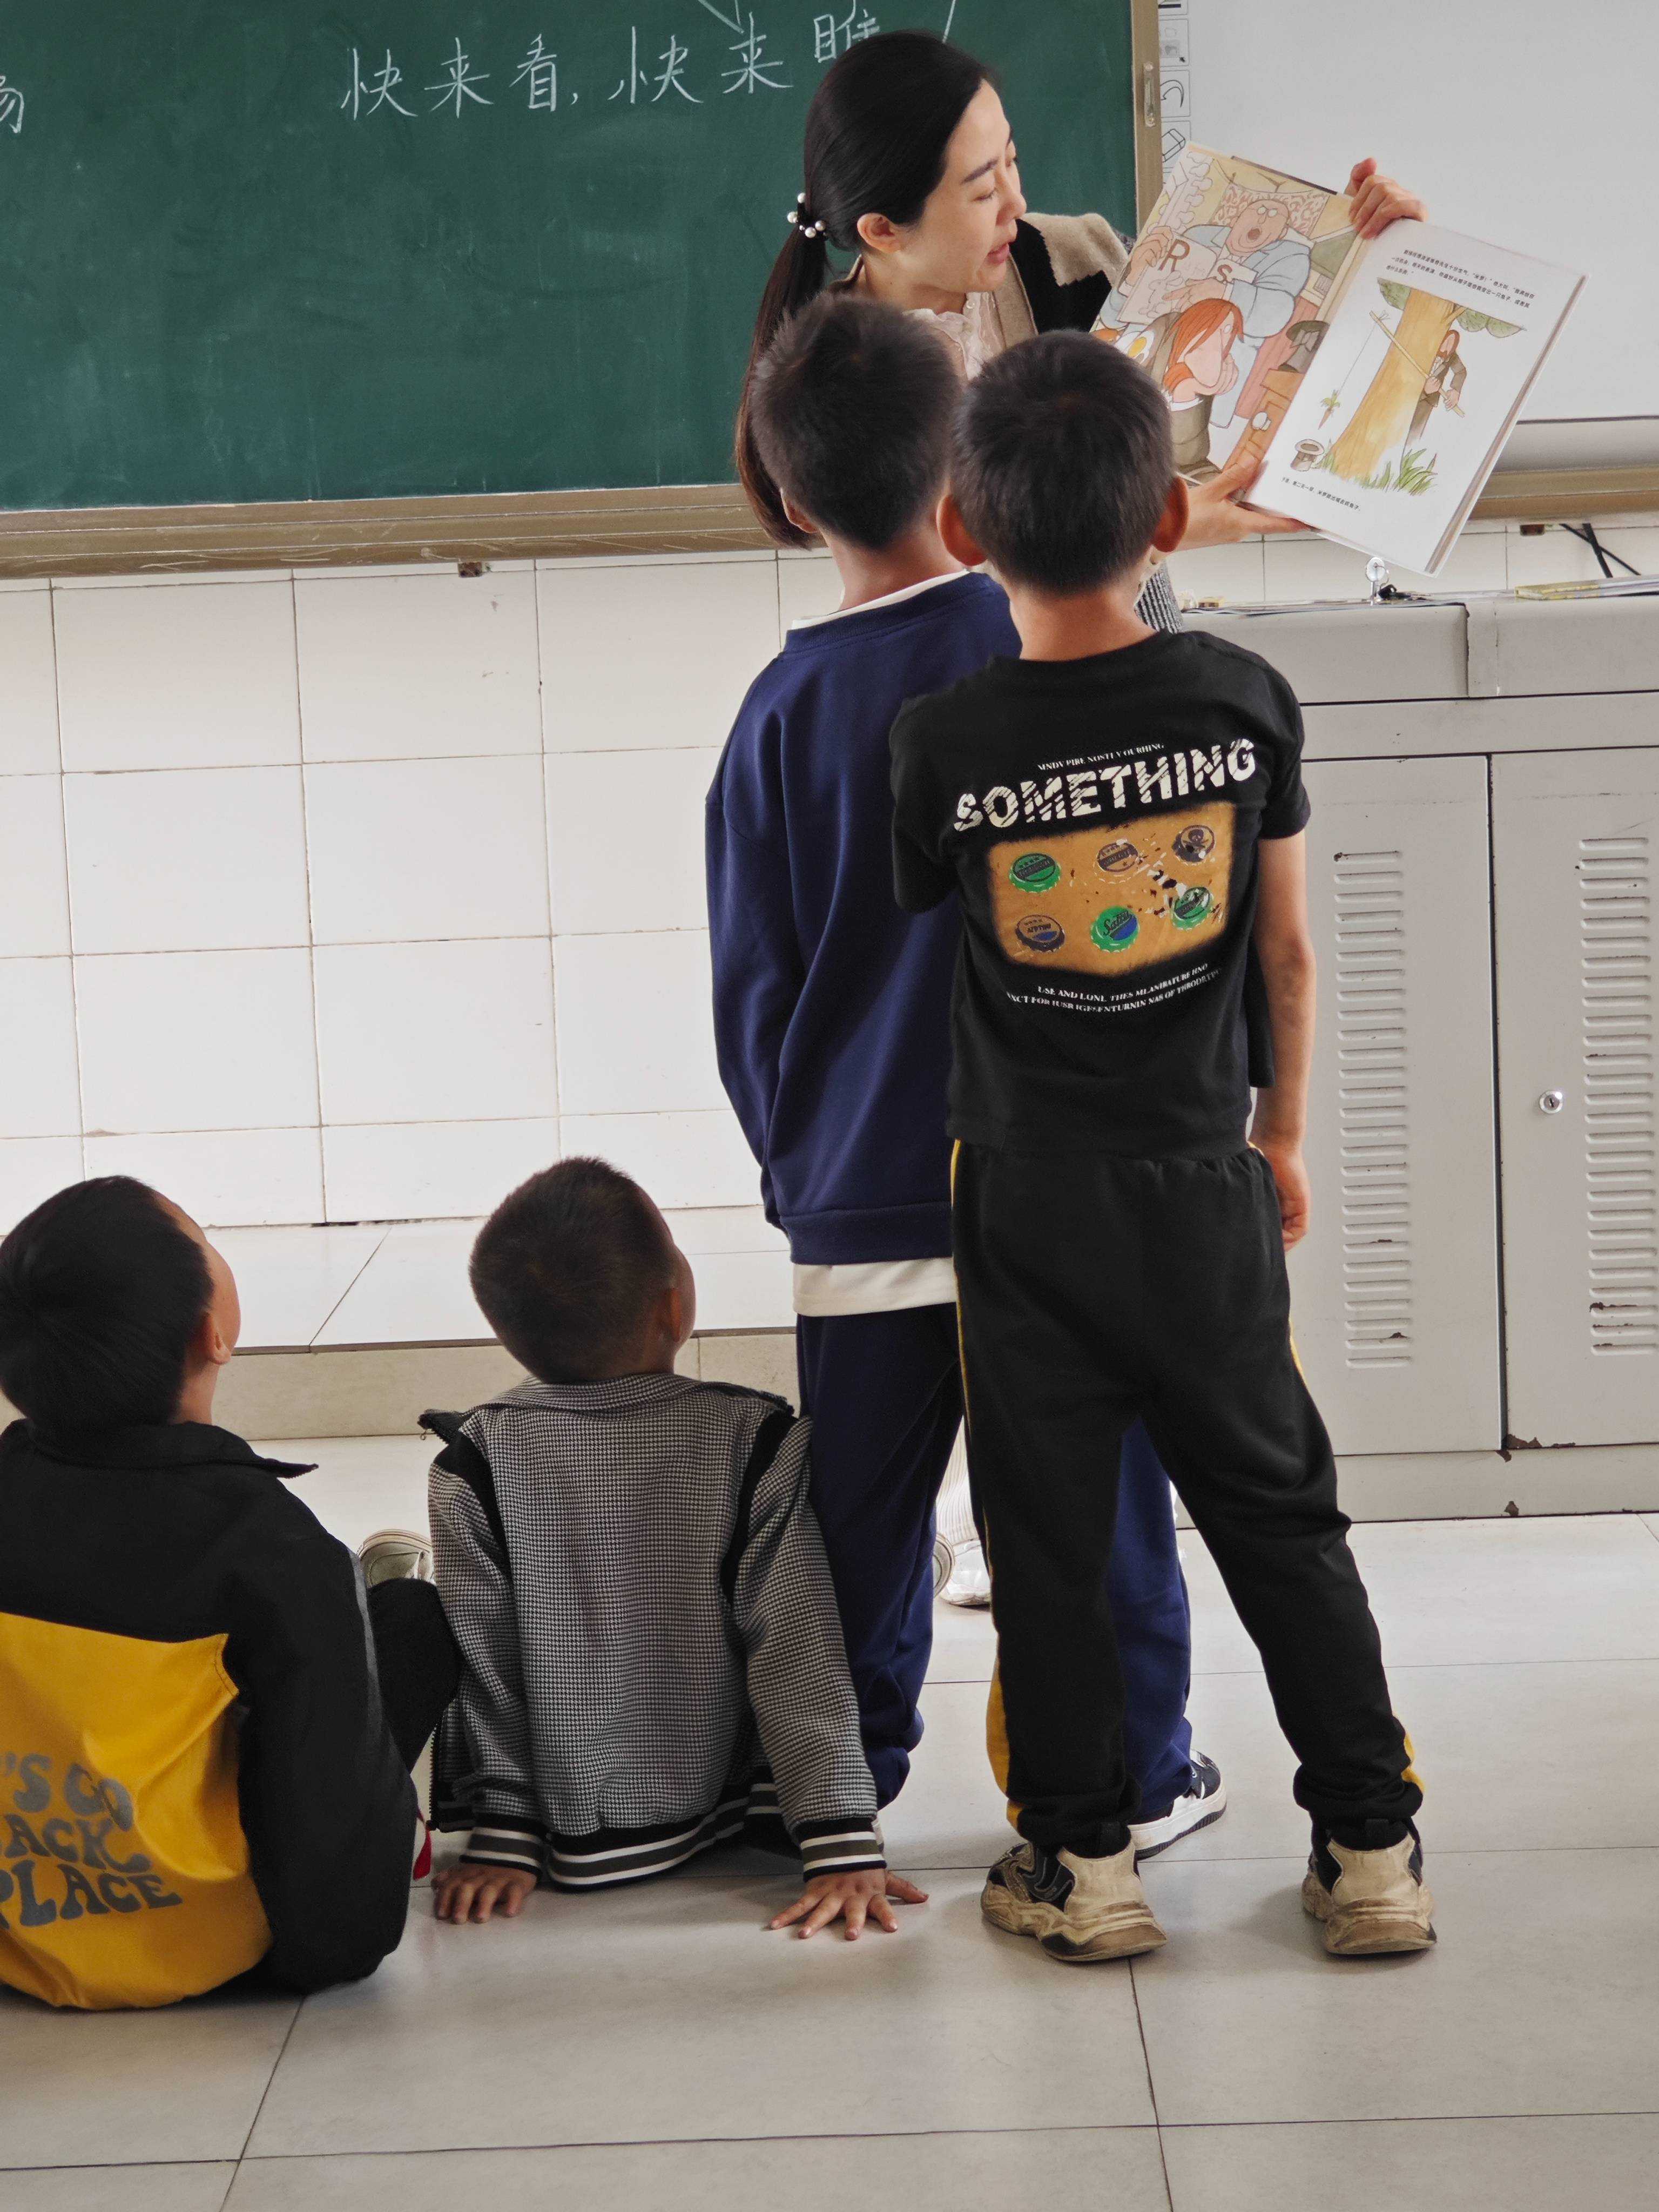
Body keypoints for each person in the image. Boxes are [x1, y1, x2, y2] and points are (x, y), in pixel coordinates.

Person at [889, 332, 1434, 1967]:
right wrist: (1280, 1134)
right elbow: (1287, 958)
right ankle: (1368, 1849)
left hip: (1026, 1193)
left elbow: (935, 930)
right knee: (1279, 1517)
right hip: (1204, 1180)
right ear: (1172, 520)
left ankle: (1084, 1861)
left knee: (1049, 1536)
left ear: (962, 530)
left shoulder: (941, 741)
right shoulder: (1237, 700)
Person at [708, 291, 1218, 1851]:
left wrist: (799, 1173)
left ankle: (836, 1781)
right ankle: (1132, 1778)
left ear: (791, 495)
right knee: (1092, 1497)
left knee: (857, 1515)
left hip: (858, 1189)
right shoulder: (1036, 644)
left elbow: (753, 990)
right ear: (968, 481)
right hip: (1055, 1183)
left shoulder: (774, 716)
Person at [423, 1157, 922, 1944]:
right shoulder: (754, 1439)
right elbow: (795, 1642)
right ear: (674, 1305)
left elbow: (485, 1662)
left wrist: (506, 1832)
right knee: (870, 1583)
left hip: (562, 1824)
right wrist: (838, 1839)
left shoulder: (474, 1460)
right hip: (727, 1808)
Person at [737, 29, 1424, 594]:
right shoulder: (837, 376)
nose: (1016, 200)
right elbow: (957, 584)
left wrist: (1373, 251)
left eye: (1011, 161)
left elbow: (1272, 359)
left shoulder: (1078, 261)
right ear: (884, 230)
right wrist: (1160, 531)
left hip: (1130, 666)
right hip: (974, 694)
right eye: (982, 191)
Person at [0, 1177, 454, 2010]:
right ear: (211, 1334)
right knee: (411, 1621)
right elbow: (343, 1925)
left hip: (18, 1928)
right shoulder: (275, 1551)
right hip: (218, 1944)